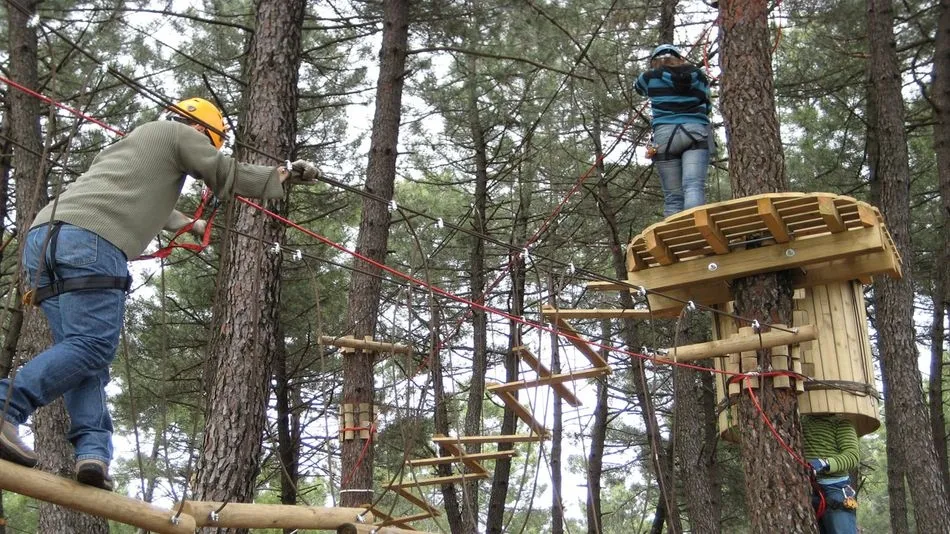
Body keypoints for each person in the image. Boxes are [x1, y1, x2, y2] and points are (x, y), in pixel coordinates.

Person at [0, 97, 319, 491]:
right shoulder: (180, 132)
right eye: (209, 142)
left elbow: (143, 199)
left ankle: (93, 454)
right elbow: (224, 173)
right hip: (92, 240)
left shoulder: (135, 142)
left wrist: (190, 223)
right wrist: (282, 174)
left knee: (84, 356)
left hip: (44, 240)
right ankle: (6, 406)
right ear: (201, 130)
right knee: (92, 347)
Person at [634, 44, 713, 217]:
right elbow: (707, 105)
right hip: (695, 131)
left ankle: (677, 241)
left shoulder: (648, 77)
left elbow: (638, 88)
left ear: (654, 61)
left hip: (664, 137)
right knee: (693, 186)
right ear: (680, 59)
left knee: (673, 197)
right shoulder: (698, 75)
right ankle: (698, 230)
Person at [802, 414, 860, 534]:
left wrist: (825, 463)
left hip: (836, 488)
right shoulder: (802, 420)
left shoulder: (842, 423)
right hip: (807, 488)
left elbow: (852, 456)